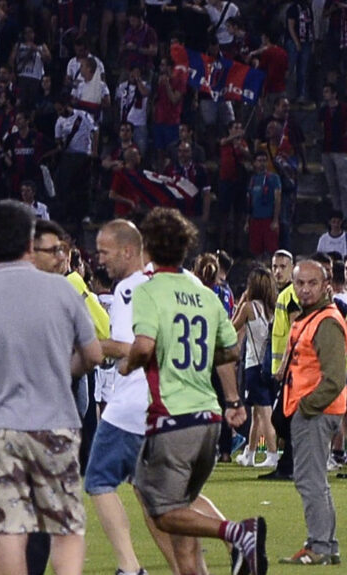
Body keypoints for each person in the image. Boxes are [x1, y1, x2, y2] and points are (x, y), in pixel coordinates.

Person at [0, 198, 104, 575]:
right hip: (56, 424)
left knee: (9, 531)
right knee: (63, 528)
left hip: (0, 426)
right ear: (31, 243)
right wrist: (63, 371)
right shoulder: (63, 290)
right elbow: (93, 354)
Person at [121, 208, 253, 575]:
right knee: (182, 504)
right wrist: (233, 402)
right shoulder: (205, 294)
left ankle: (237, 533)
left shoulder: (149, 291)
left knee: (159, 508)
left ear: (147, 248)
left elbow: (144, 347)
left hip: (171, 417)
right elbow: (229, 351)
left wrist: (127, 363)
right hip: (208, 418)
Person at [80, 218, 156, 575]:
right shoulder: (163, 281)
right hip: (163, 401)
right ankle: (233, 533)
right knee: (156, 491)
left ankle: (129, 568)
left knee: (97, 479)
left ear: (128, 251)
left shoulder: (129, 289)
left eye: (105, 252)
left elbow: (128, 345)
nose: (100, 259)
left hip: (131, 403)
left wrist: (87, 346)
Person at [279, 254, 346, 566]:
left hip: (316, 411)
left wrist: (306, 406)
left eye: (312, 283)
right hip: (316, 410)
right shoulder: (314, 317)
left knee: (310, 481)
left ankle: (318, 545)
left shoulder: (326, 321)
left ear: (326, 285)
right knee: (316, 480)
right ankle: (326, 545)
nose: (305, 289)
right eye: (299, 283)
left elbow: (336, 377)